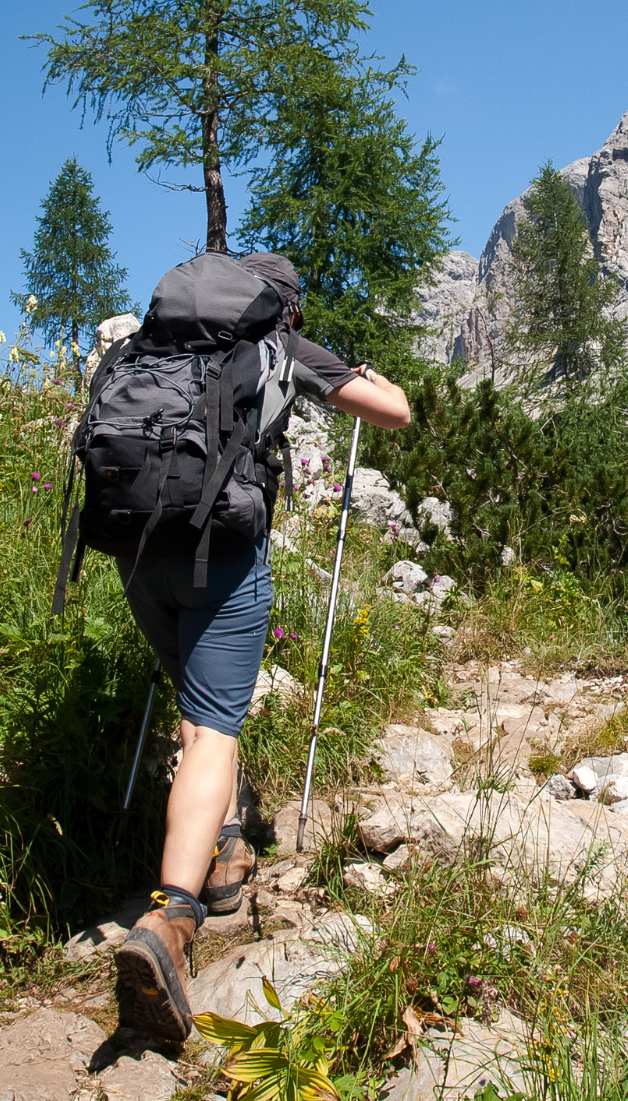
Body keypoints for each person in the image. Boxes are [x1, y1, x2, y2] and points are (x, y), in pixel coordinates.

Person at [114, 251, 411, 1044]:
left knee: (196, 706)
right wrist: (368, 375)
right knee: (216, 724)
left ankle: (227, 851)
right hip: (224, 557)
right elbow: (397, 412)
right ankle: (173, 923)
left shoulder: (155, 342)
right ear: (284, 306)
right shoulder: (281, 345)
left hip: (137, 553)